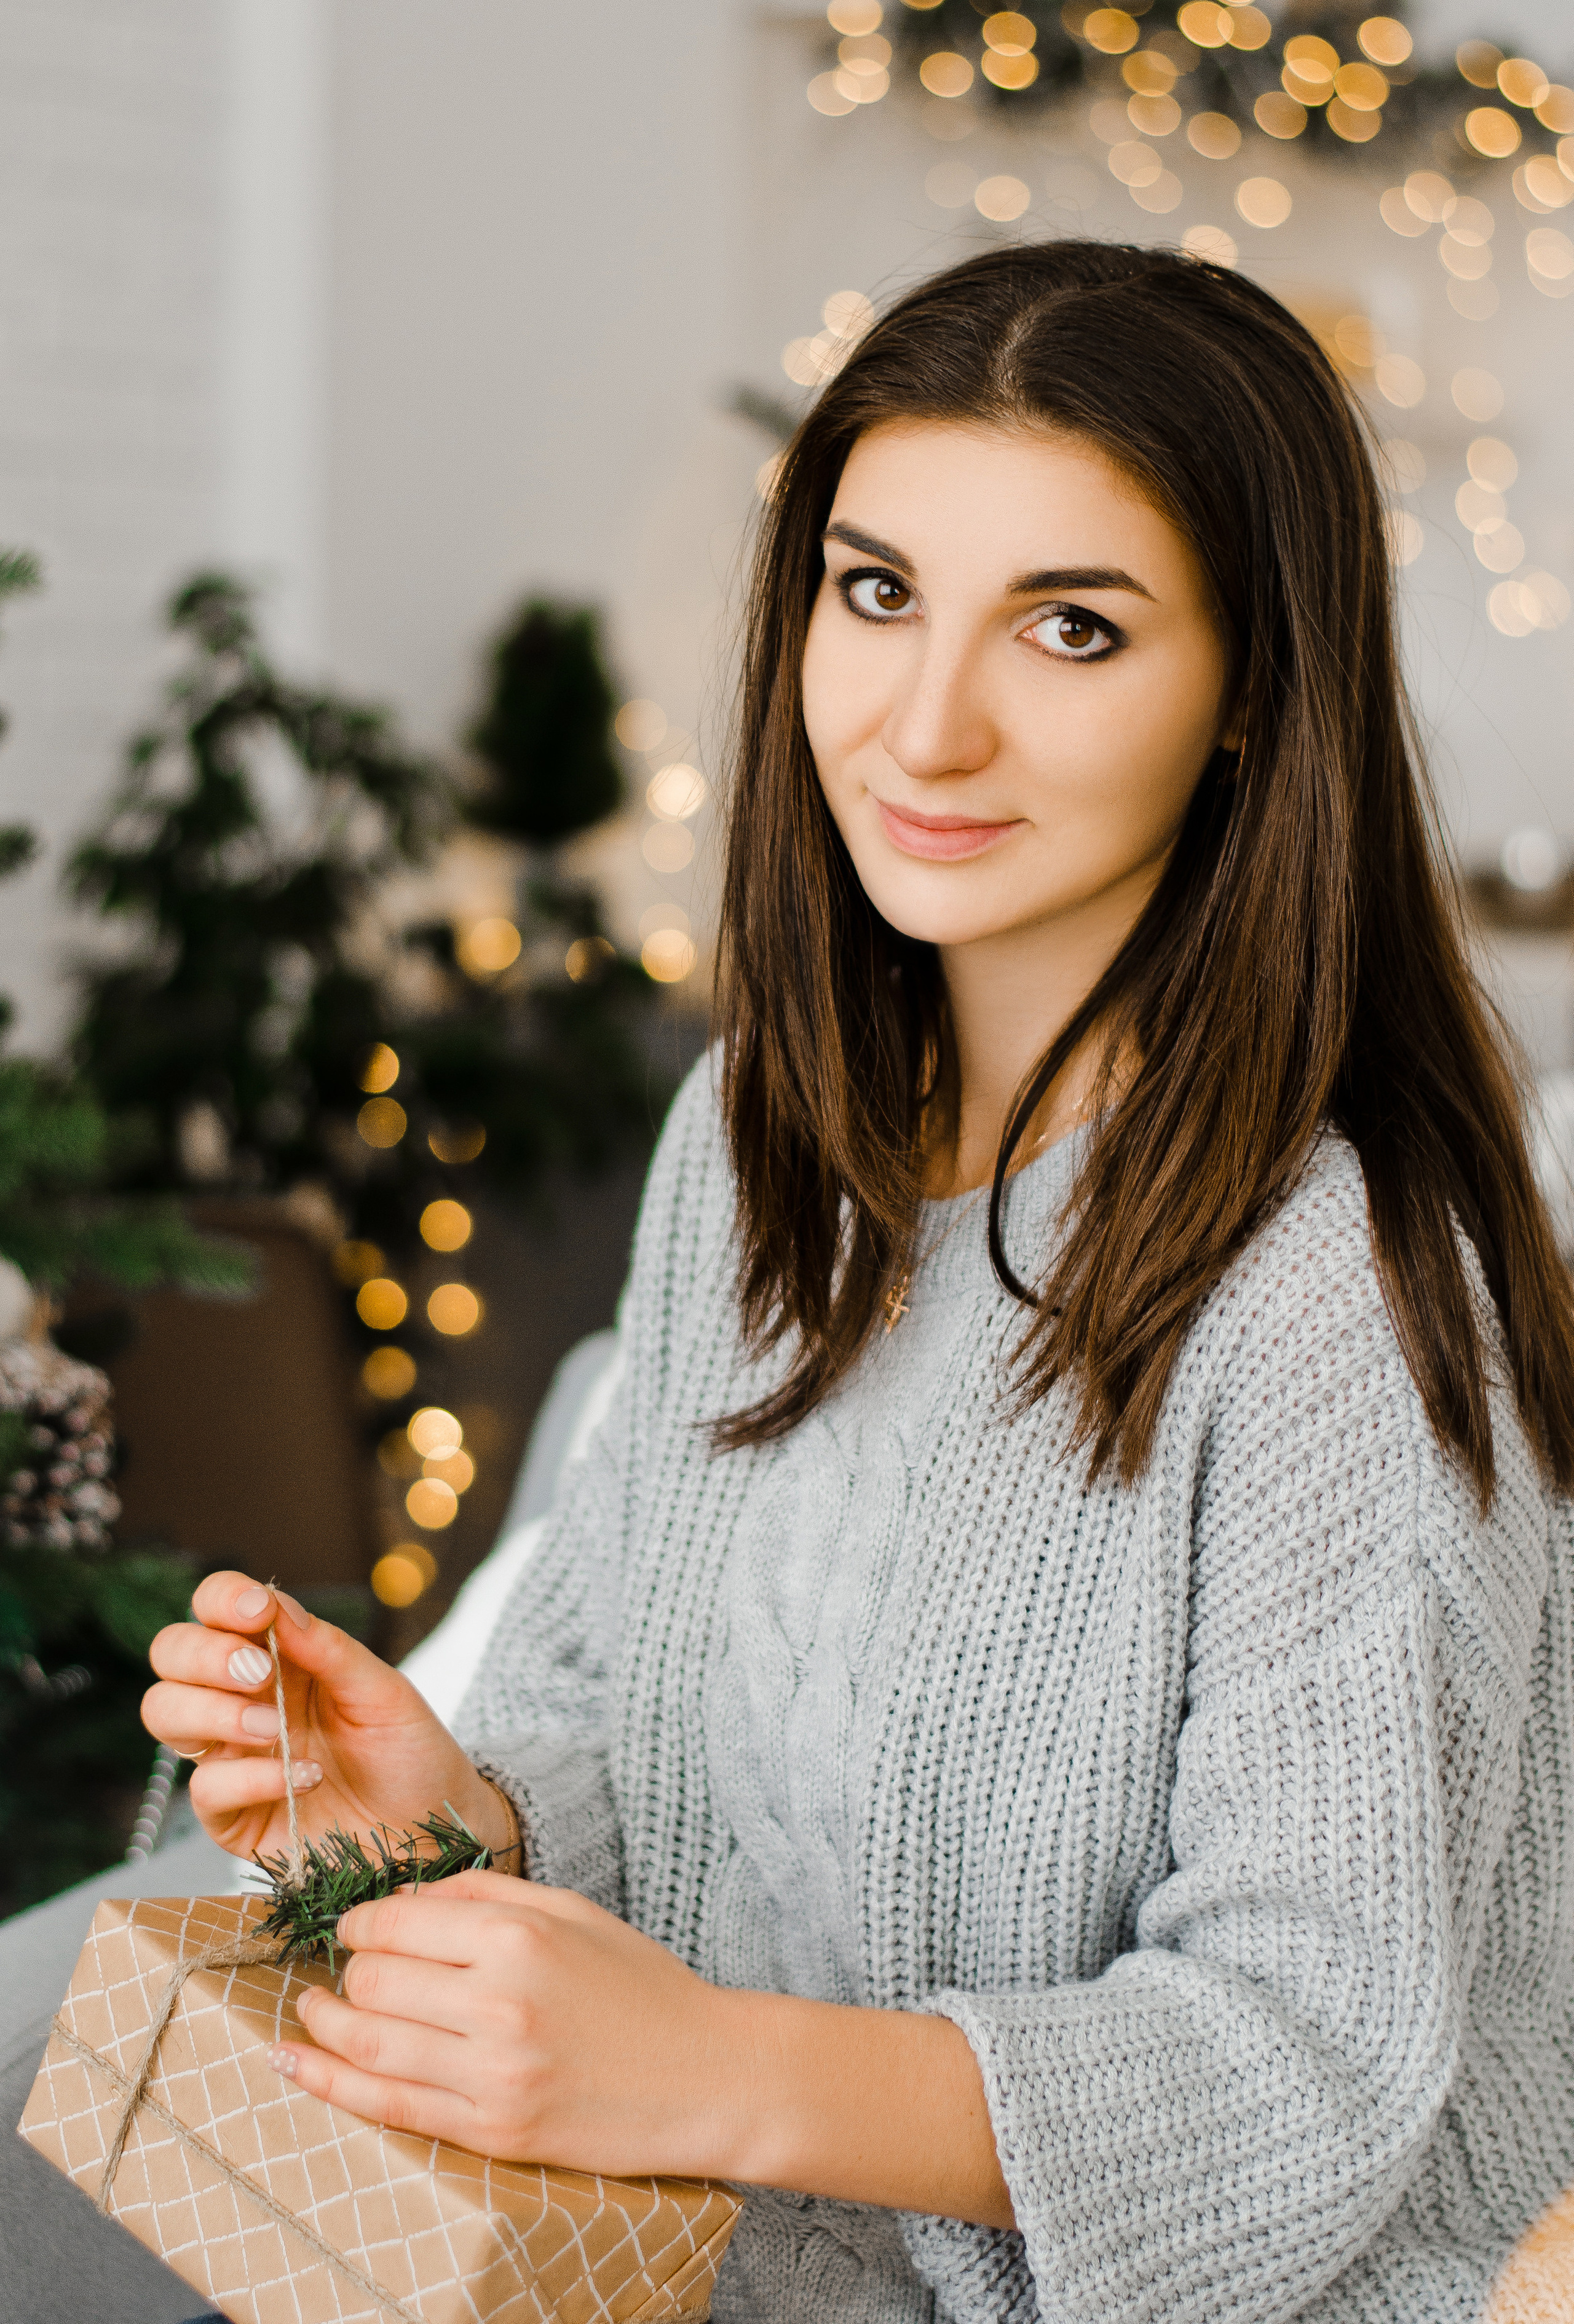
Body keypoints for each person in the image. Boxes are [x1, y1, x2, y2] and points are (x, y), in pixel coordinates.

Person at [144, 241, 1574, 2323]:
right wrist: (446, 1810)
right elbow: (610, 1735)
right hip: (696, 2265)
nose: (925, 723)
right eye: (875, 588)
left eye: (1069, 628)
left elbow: (1305, 2064)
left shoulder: (1340, 1272)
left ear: (1259, 686)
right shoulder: (751, 1138)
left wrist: (718, 2072)